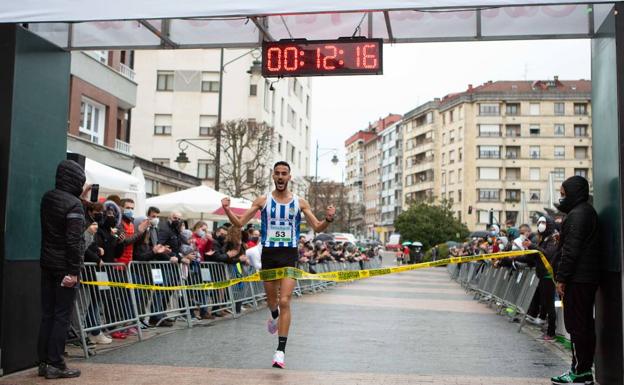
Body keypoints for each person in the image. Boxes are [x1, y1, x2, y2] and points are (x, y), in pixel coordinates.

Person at [221, 161, 335, 369]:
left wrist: (328, 218)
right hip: (269, 255)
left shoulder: (300, 203)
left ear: (289, 177)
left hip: (289, 254)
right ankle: (273, 316)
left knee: (285, 301)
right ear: (273, 177)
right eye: (278, 173)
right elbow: (239, 223)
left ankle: (280, 351)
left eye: (284, 174)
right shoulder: (263, 200)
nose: (281, 177)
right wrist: (227, 209)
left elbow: (318, 226)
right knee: (272, 302)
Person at [551, 176, 601, 385]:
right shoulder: (584, 212)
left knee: (577, 325)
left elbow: (571, 251)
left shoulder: (578, 214)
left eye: (563, 194)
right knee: (583, 325)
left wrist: (562, 278)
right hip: (584, 278)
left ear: (573, 193)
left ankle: (580, 372)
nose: (561, 198)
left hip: (578, 279)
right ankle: (582, 369)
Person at [37, 160, 85, 379]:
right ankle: (56, 363)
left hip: (47, 263)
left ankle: (44, 362)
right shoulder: (74, 204)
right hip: (64, 267)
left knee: (47, 314)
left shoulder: (48, 198)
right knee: (61, 316)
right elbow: (73, 241)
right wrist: (73, 271)